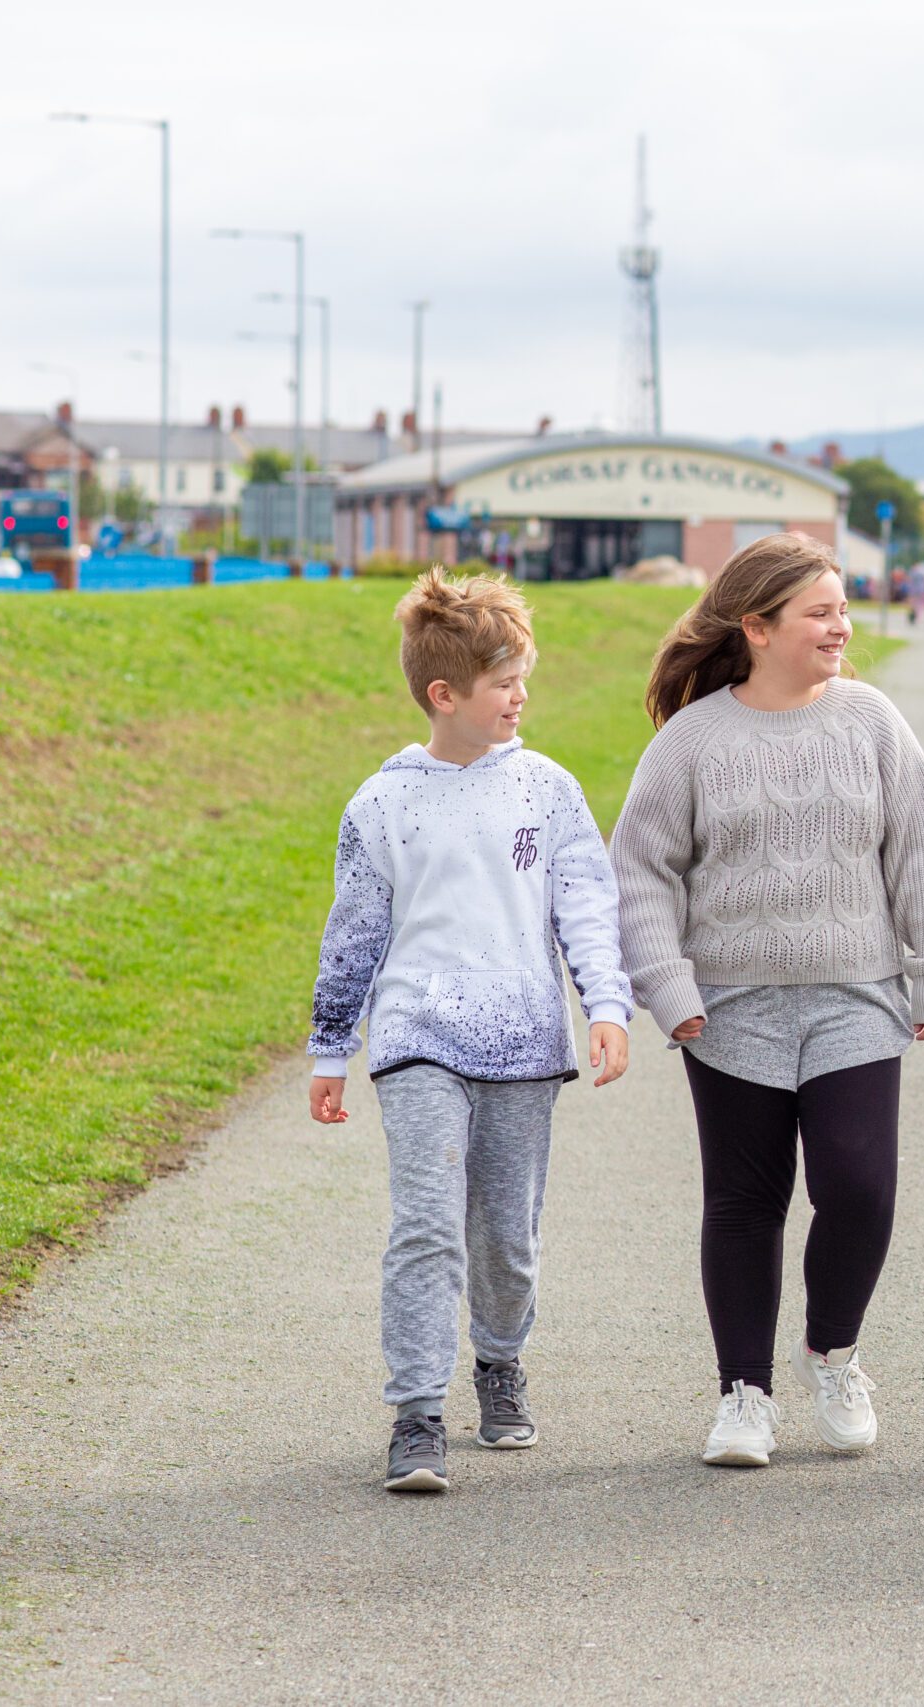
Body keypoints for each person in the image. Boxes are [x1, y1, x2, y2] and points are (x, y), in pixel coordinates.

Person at [612, 535, 924, 1468]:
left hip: (857, 996)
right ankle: (744, 1395)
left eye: (843, 607)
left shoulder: (872, 721)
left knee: (860, 1189)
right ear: (758, 627)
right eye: (820, 612)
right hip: (730, 1010)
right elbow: (642, 871)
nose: (841, 625)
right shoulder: (690, 741)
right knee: (744, 1201)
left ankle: (832, 1348)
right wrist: (667, 985)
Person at [307, 569, 632, 1494]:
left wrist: (605, 1006)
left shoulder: (549, 789)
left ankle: (498, 1359)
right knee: (424, 1223)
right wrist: (333, 1049)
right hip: (416, 1036)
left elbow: (587, 905)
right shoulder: (381, 803)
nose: (522, 697)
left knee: (505, 1237)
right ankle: (416, 1413)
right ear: (444, 694)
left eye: (524, 678)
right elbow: (355, 932)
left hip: (525, 1039)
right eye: (504, 683)